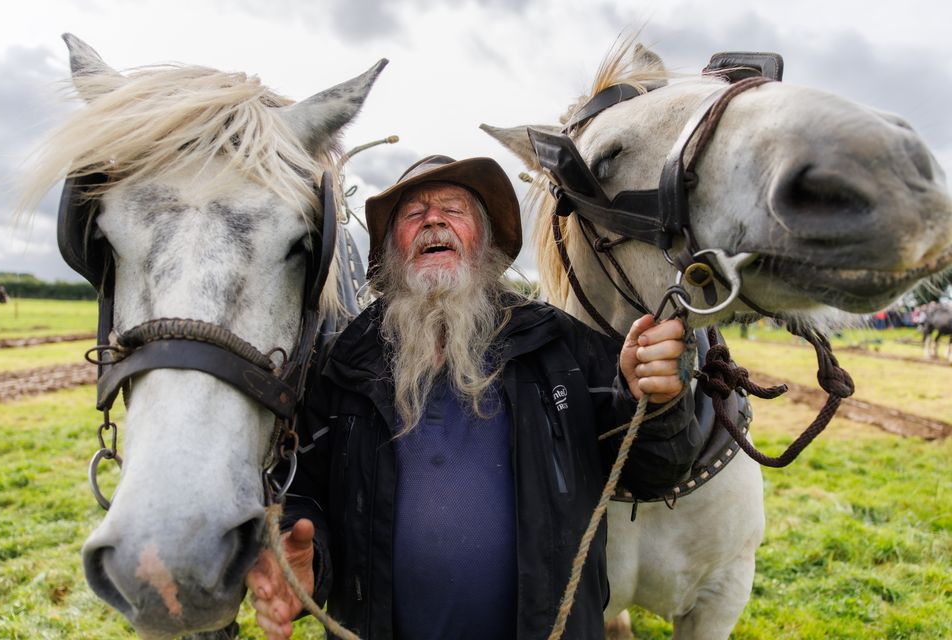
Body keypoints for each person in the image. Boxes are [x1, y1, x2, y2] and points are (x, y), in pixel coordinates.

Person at [247, 155, 701, 640]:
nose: (433, 220)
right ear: (392, 249)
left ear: (484, 241)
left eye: (453, 209)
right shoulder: (344, 365)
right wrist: (307, 560)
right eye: (413, 213)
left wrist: (651, 402)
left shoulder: (563, 348)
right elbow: (303, 491)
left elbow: (655, 473)